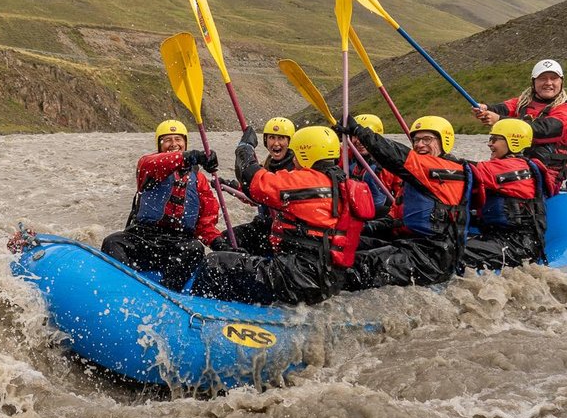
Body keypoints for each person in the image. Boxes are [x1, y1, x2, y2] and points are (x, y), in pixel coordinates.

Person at [192, 125, 375, 305]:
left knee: (215, 263)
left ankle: (200, 311)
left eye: (295, 154)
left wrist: (245, 148)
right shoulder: (340, 180)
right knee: (250, 239)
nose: (293, 159)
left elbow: (253, 180)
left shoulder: (307, 181)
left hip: (299, 278)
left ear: (306, 153)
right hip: (325, 276)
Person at [338, 115, 470, 289]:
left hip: (431, 256)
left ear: (444, 141)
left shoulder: (445, 172)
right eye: (416, 140)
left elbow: (397, 156)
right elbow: (395, 218)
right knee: (344, 245)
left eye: (427, 139)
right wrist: (365, 228)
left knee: (354, 267)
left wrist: (359, 132)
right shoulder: (419, 176)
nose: (420, 144)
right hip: (409, 245)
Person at [100, 119, 221, 291]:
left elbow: (205, 222)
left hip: (177, 244)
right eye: (167, 140)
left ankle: (168, 294)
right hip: (143, 239)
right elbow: (155, 163)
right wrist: (190, 156)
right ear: (159, 144)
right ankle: (121, 289)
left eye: (178, 139)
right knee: (113, 242)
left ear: (185, 142)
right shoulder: (149, 165)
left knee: (195, 249)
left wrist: (218, 242)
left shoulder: (198, 179)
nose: (174, 144)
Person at [460, 118, 558, 271]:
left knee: (450, 252)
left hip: (517, 246)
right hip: (500, 239)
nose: (490, 144)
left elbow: (466, 170)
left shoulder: (514, 167)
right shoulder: (513, 166)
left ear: (513, 142)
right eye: (490, 139)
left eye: (495, 139)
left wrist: (431, 163)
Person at [472, 58, 567, 190]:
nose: (548, 83)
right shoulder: (522, 103)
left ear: (561, 82)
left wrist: (499, 120)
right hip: (514, 165)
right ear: (534, 82)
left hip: (545, 175)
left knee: (486, 176)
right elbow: (501, 108)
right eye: (542, 78)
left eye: (553, 78)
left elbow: (543, 130)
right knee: (474, 174)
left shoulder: (566, 110)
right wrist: (485, 108)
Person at [216, 116, 297, 255]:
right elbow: (257, 196)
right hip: (265, 224)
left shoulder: (295, 168)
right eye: (271, 138)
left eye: (281, 138)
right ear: (266, 141)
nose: (276, 143)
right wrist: (233, 187)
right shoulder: (268, 164)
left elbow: (265, 191)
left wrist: (245, 148)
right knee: (225, 241)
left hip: (285, 231)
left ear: (290, 141)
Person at [348, 113, 402, 219]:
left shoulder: (389, 164)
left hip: (380, 216)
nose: (358, 141)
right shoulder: (348, 157)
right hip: (354, 213)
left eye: (363, 137)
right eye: (355, 136)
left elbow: (401, 195)